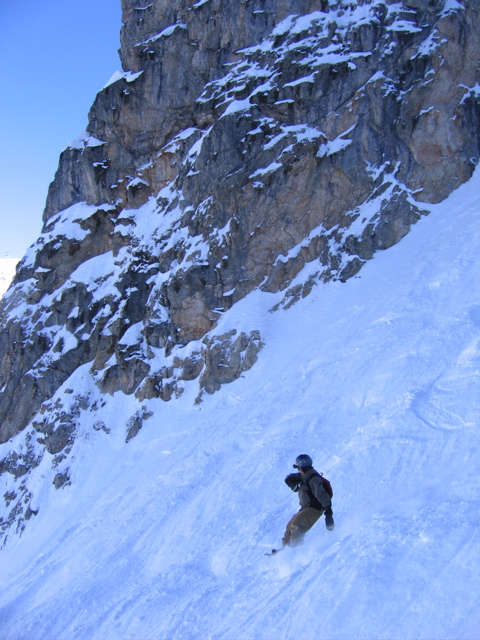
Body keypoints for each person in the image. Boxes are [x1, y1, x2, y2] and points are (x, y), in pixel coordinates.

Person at [273, 454, 334, 554]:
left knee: (296, 525)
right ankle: (285, 550)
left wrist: (328, 513)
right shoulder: (305, 476)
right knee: (289, 526)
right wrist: (291, 482)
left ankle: (295, 551)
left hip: (315, 508)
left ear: (304, 467)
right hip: (306, 507)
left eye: (299, 468)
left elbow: (322, 495)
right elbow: (290, 478)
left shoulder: (313, 478)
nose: (298, 470)